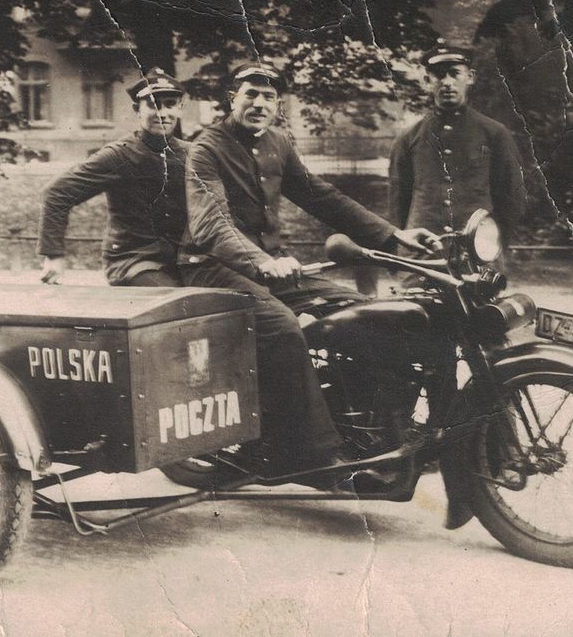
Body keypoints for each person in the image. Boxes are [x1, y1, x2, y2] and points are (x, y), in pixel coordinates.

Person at [182, 61, 440, 482]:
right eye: (251, 93)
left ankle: (376, 435)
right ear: (233, 98)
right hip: (213, 266)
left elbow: (323, 198)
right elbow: (212, 225)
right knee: (283, 330)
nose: (259, 102)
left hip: (274, 268)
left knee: (367, 315)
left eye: (268, 96)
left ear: (278, 104)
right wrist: (264, 262)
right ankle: (314, 455)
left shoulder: (278, 143)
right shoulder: (206, 148)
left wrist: (394, 236)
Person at [37, 68, 190, 287]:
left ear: (180, 109)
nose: (162, 113)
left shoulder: (191, 153)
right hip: (133, 261)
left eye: (170, 104)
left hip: (182, 260)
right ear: (137, 110)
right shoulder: (119, 155)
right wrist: (53, 256)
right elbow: (57, 192)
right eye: (153, 105)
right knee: (172, 302)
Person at [388, 43, 526, 249]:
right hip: (422, 252)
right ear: (427, 81)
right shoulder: (408, 137)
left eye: (455, 74)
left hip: (477, 249)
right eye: (439, 75)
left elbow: (512, 197)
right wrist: (401, 246)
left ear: (470, 77)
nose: (447, 83)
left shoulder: (494, 133)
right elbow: (398, 200)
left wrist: (493, 244)